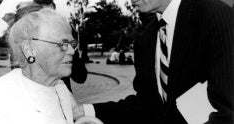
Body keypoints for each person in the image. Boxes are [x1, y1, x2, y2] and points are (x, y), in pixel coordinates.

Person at [72, 0, 234, 123]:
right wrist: (85, 110)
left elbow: (229, 111)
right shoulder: (146, 38)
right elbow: (146, 105)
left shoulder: (214, 16)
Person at [0, 8, 97, 124]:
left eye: (72, 43)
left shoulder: (60, 87)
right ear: (29, 50)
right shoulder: (0, 99)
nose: (72, 51)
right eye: (62, 43)